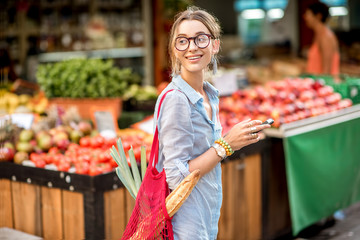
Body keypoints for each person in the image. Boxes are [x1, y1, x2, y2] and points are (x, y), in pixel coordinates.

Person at [154, 6, 270, 239]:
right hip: (184, 225)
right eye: (182, 41)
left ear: (214, 45)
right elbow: (176, 177)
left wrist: (237, 137)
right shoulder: (177, 99)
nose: (192, 47)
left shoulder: (209, 94)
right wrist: (225, 145)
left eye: (200, 38)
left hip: (206, 214)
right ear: (174, 51)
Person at [303, 1, 340, 76]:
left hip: (324, 85)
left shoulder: (325, 37)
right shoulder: (318, 35)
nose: (305, 17)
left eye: (308, 14)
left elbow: (326, 72)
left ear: (318, 16)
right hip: (316, 83)